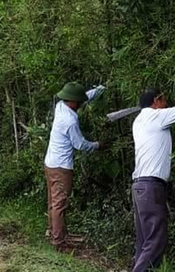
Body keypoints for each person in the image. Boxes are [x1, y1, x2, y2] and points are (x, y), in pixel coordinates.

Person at [131, 89, 175, 272]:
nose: (166, 104)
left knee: (145, 240)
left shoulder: (138, 120)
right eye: (164, 100)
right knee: (156, 239)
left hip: (140, 185)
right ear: (156, 101)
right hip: (151, 185)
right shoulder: (156, 117)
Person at [44, 81, 106, 252]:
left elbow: (85, 97)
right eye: (78, 102)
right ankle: (59, 242)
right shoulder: (70, 120)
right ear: (73, 101)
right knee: (60, 204)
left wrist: (100, 90)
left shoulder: (60, 106)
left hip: (50, 163)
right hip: (61, 167)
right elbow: (80, 144)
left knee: (53, 202)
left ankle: (56, 233)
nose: (80, 105)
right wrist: (97, 145)